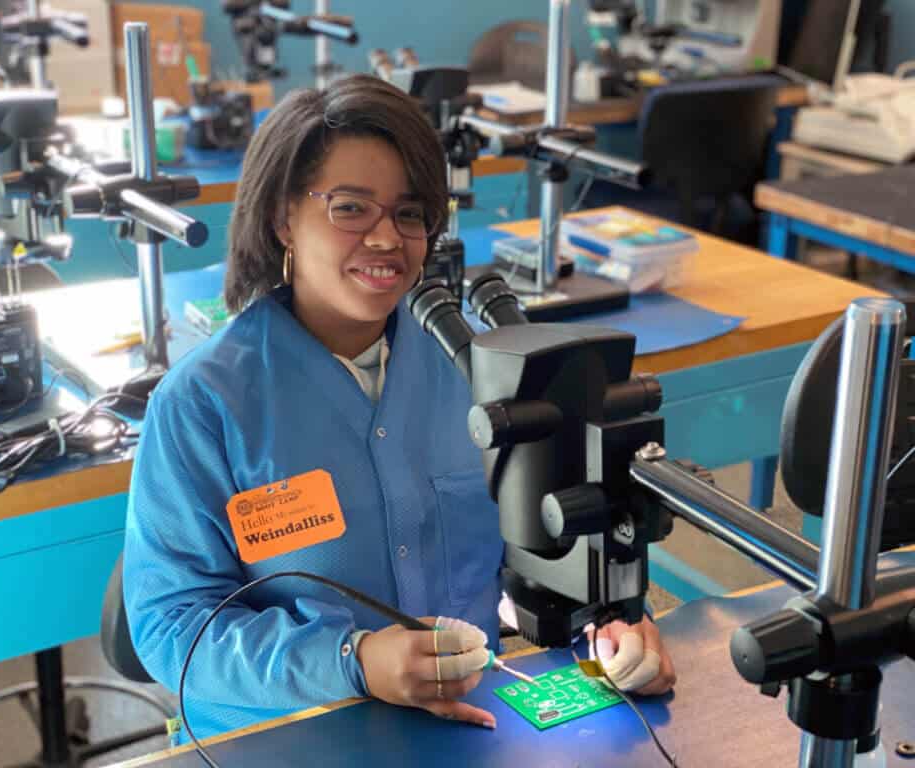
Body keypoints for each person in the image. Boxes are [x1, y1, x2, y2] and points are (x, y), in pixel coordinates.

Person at [123, 73, 676, 742]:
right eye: (351, 207)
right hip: (281, 735)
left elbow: (549, 541)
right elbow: (171, 625)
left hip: (472, 721)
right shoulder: (204, 403)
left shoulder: (475, 367)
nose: (388, 239)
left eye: (409, 213)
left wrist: (609, 621)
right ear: (281, 219)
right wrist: (351, 661)